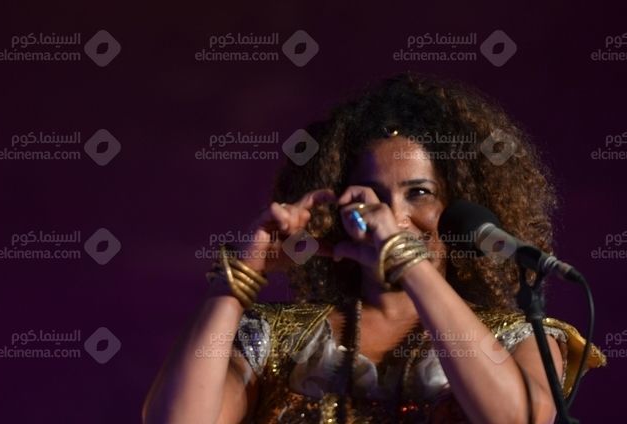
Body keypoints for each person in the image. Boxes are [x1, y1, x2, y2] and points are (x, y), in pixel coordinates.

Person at [142, 73, 605, 423]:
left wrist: (408, 262)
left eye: (419, 193)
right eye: (373, 198)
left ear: (462, 205)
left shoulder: (520, 337)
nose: (394, 217)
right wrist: (239, 278)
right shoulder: (270, 337)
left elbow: (515, 419)